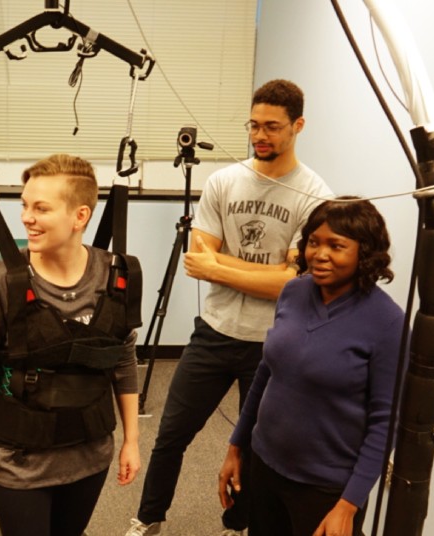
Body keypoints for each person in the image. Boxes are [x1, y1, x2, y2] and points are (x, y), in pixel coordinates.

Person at [128, 79, 334, 536]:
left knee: (257, 448)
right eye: (254, 125)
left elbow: (292, 285)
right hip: (214, 332)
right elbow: (198, 261)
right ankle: (148, 518)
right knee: (171, 434)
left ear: (298, 126)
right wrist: (269, 273)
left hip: (274, 343)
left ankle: (237, 524)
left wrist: (222, 266)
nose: (260, 135)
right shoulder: (223, 182)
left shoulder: (316, 196)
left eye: (272, 127)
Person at [0, 154, 142, 536]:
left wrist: (132, 440)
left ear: (80, 216)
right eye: (24, 205)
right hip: (18, 463)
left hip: (90, 456)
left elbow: (124, 359)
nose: (27, 218)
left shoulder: (115, 275)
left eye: (41, 208)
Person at [218, 198, 402, 536]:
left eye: (336, 245)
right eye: (314, 242)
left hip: (325, 489)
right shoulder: (294, 292)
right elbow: (266, 373)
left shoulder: (387, 322)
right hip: (265, 465)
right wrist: (236, 447)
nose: (320, 254)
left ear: (365, 252)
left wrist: (349, 504)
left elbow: (385, 422)